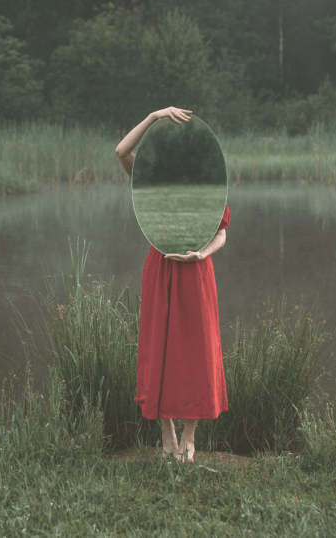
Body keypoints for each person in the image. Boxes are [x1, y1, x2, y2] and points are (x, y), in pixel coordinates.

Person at [115, 107, 230, 463]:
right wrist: (152, 117)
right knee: (160, 348)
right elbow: (121, 152)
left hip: (197, 271)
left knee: (197, 351)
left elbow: (222, 234)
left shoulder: (207, 188)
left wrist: (201, 254)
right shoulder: (152, 178)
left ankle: (190, 438)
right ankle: (166, 435)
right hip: (162, 269)